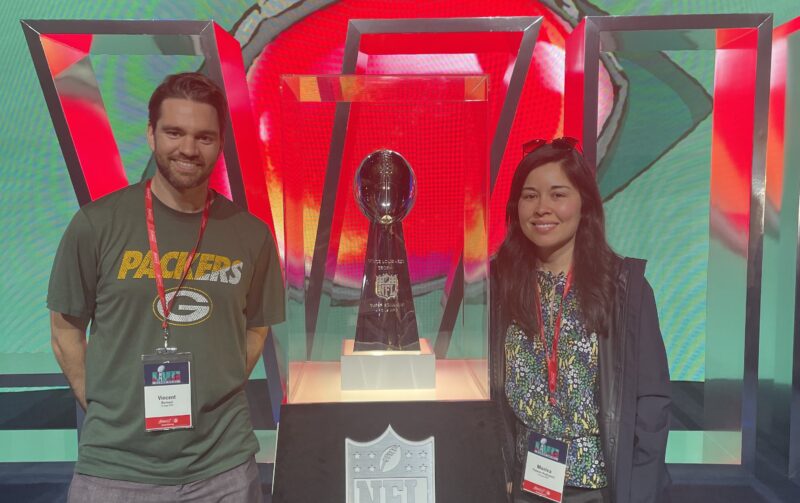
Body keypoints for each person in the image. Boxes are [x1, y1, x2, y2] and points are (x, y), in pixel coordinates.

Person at [47, 72, 284, 502]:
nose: (189, 149)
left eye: (204, 137)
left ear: (220, 143)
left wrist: (219, 388)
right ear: (151, 134)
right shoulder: (96, 225)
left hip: (223, 469)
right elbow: (65, 329)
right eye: (174, 132)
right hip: (114, 470)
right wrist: (104, 406)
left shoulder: (251, 236)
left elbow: (256, 328)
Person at [490, 138, 671, 503]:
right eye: (530, 196)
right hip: (524, 485)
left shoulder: (622, 289)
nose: (543, 208)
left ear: (583, 204)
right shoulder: (498, 285)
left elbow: (652, 403)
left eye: (558, 194)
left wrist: (637, 492)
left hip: (602, 489)